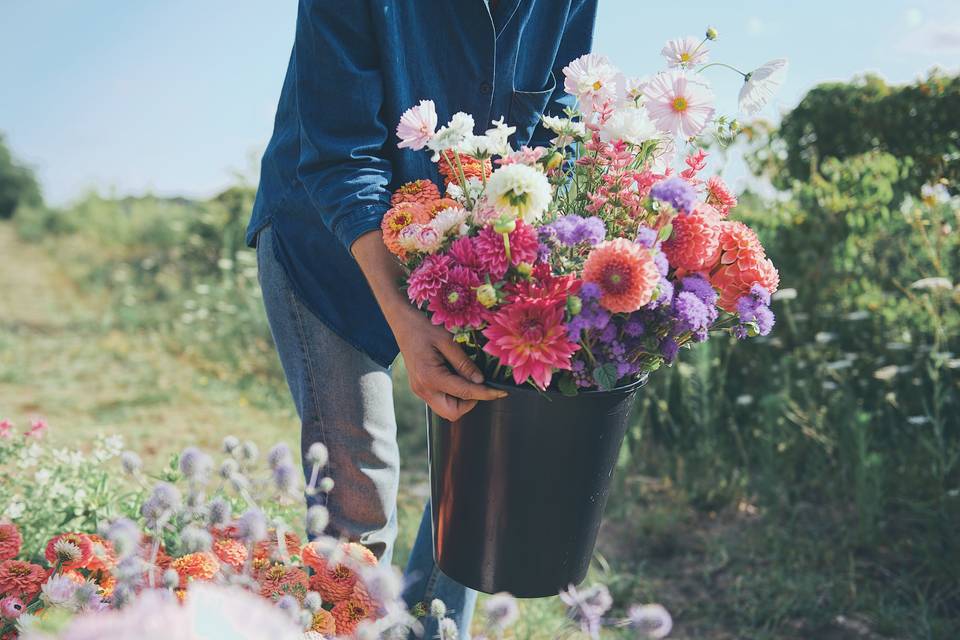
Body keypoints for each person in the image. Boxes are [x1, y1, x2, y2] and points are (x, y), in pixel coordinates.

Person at [249, 1, 598, 635]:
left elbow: (557, 133)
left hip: (469, 258)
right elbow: (338, 156)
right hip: (326, 245)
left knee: (476, 491)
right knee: (359, 491)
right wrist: (408, 319)